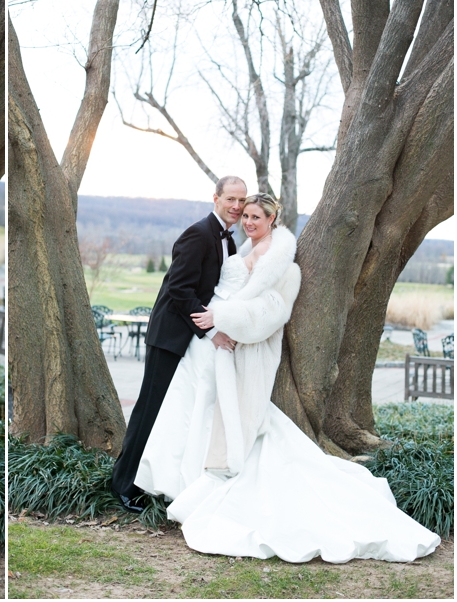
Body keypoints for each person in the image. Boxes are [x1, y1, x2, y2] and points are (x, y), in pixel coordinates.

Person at [135, 194, 440, 563]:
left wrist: (223, 318)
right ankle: (184, 480)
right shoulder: (240, 246)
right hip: (216, 351)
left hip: (246, 352)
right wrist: (213, 322)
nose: (247, 222)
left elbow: (272, 313)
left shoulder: (285, 268)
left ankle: (215, 478)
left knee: (235, 419)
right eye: (244, 215)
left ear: (272, 218)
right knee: (201, 411)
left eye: (255, 217)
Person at [111, 176, 248, 511]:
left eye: (241, 201)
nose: (236, 206)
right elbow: (179, 289)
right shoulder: (198, 234)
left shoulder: (227, 239)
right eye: (230, 198)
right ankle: (122, 486)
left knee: (167, 414)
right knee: (148, 411)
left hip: (190, 343)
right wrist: (212, 331)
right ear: (215, 197)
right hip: (170, 337)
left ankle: (148, 479)